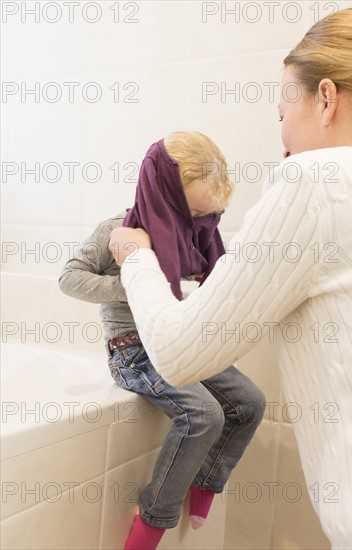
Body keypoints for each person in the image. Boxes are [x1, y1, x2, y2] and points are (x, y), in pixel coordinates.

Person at [108, 8, 352, 550]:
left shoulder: (319, 179)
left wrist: (135, 259)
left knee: (231, 403)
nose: (283, 139)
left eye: (280, 113)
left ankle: (168, 510)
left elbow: (178, 351)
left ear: (325, 98)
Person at [59, 131, 266, 550]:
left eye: (207, 216)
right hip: (132, 350)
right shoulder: (118, 228)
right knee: (204, 415)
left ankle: (205, 482)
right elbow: (68, 278)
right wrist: (133, 281)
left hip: (176, 339)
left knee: (249, 402)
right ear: (165, 195)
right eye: (192, 212)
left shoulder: (191, 233)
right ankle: (152, 521)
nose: (198, 225)